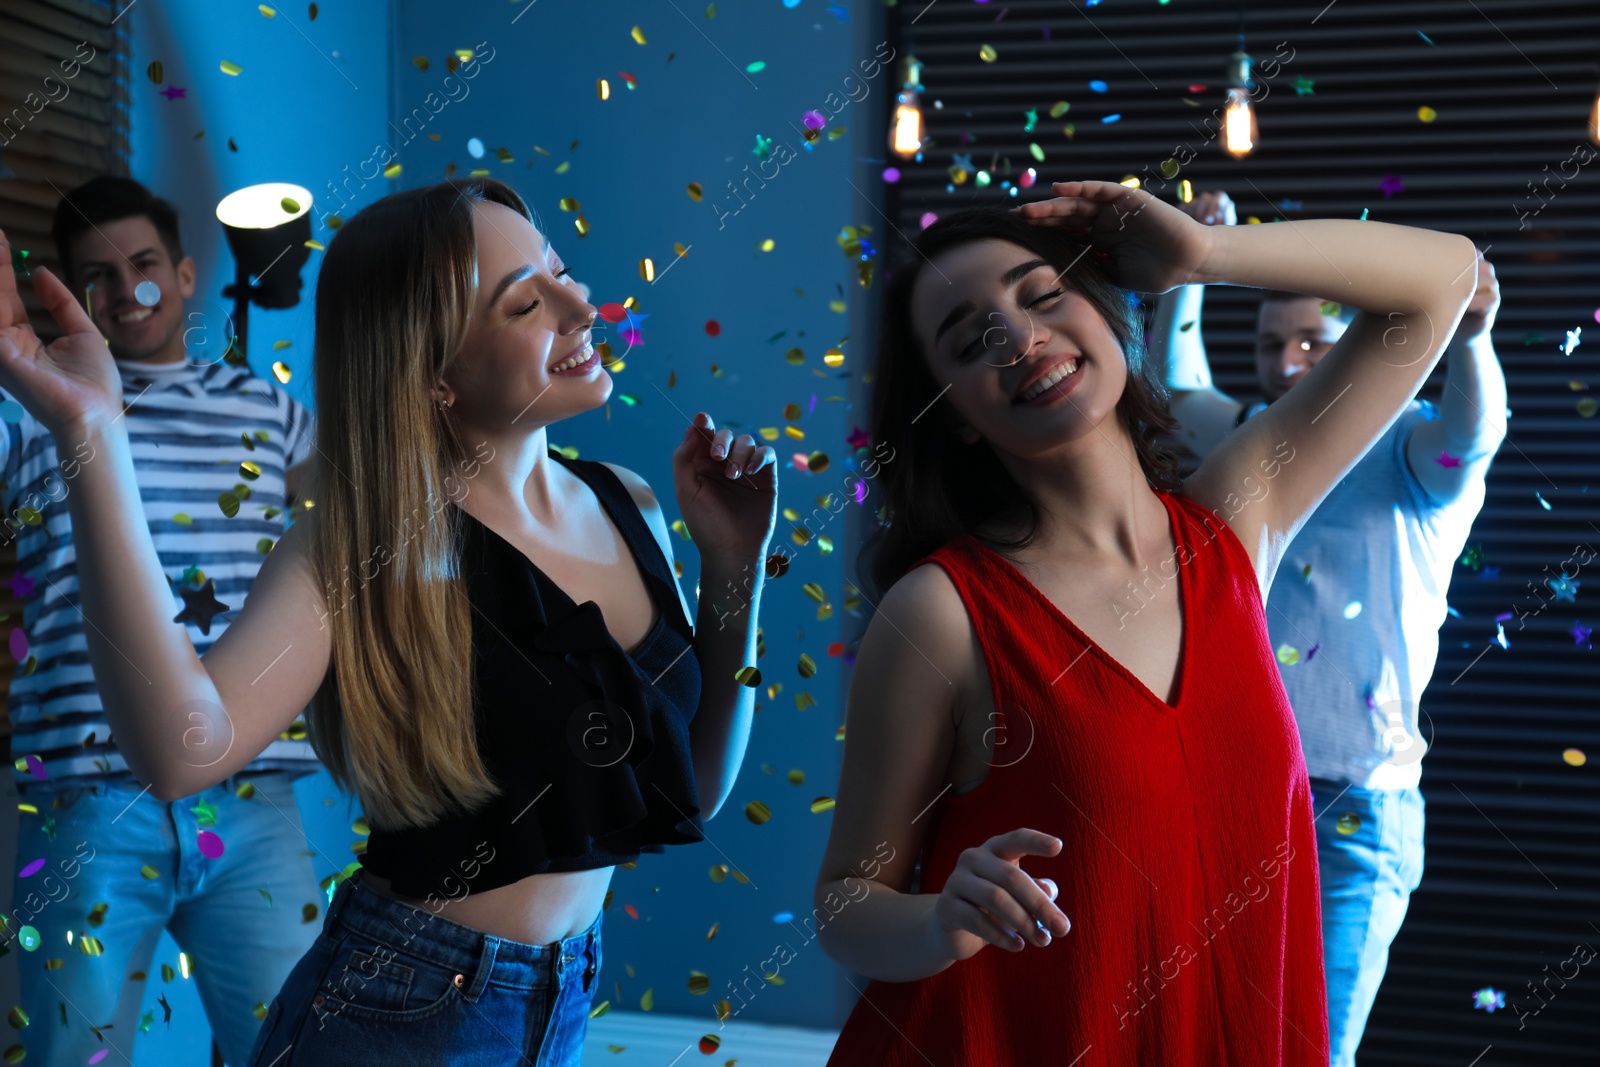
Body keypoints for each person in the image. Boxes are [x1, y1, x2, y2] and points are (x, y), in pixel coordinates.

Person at [0, 175, 776, 1065]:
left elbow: (694, 786)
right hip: (397, 1009)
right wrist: (89, 429)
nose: (580, 306)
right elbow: (182, 751)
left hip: (559, 998)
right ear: (436, 371)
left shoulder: (629, 501)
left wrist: (734, 567)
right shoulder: (358, 550)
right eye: (528, 301)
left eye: (560, 271)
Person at [813, 180, 1479, 1065]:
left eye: (1043, 293)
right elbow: (845, 903)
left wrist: (1202, 256)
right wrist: (939, 918)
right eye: (973, 340)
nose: (1019, 336)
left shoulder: (1240, 521)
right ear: (959, 421)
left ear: (1108, 310)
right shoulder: (941, 613)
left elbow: (1447, 277)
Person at [1144, 189, 1505, 1067]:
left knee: (1313, 1048)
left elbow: (1476, 430)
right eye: (1269, 344)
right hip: (1237, 786)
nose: (1286, 361)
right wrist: (1196, 267)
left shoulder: (1413, 451)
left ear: (1353, 342)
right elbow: (1174, 389)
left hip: (1358, 802)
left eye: (1312, 339)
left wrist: (1469, 337)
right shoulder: (1242, 436)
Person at [0, 176, 323, 1065]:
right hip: (87, 791)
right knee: (73, 1055)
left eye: (145, 265)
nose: (126, 288)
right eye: (96, 274)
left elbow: (363, 521)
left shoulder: (265, 407)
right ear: (72, 294)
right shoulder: (27, 407)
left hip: (252, 791)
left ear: (184, 276)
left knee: (297, 1048)